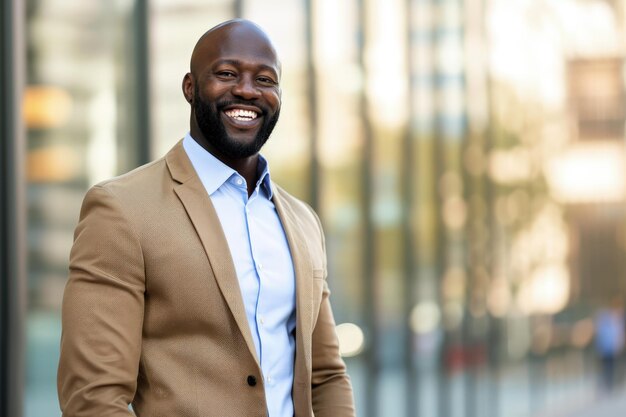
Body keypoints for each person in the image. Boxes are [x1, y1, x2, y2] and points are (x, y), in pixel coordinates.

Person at [57, 19, 355, 417]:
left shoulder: (303, 222)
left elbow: (326, 377)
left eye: (265, 80)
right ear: (190, 87)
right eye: (227, 73)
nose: (247, 90)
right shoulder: (120, 210)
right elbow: (92, 396)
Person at [594, 297, 625, 394]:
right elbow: (600, 332)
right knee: (607, 367)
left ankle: (612, 384)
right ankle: (607, 385)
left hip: (614, 348)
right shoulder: (605, 317)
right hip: (606, 348)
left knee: (612, 367)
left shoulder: (619, 319)